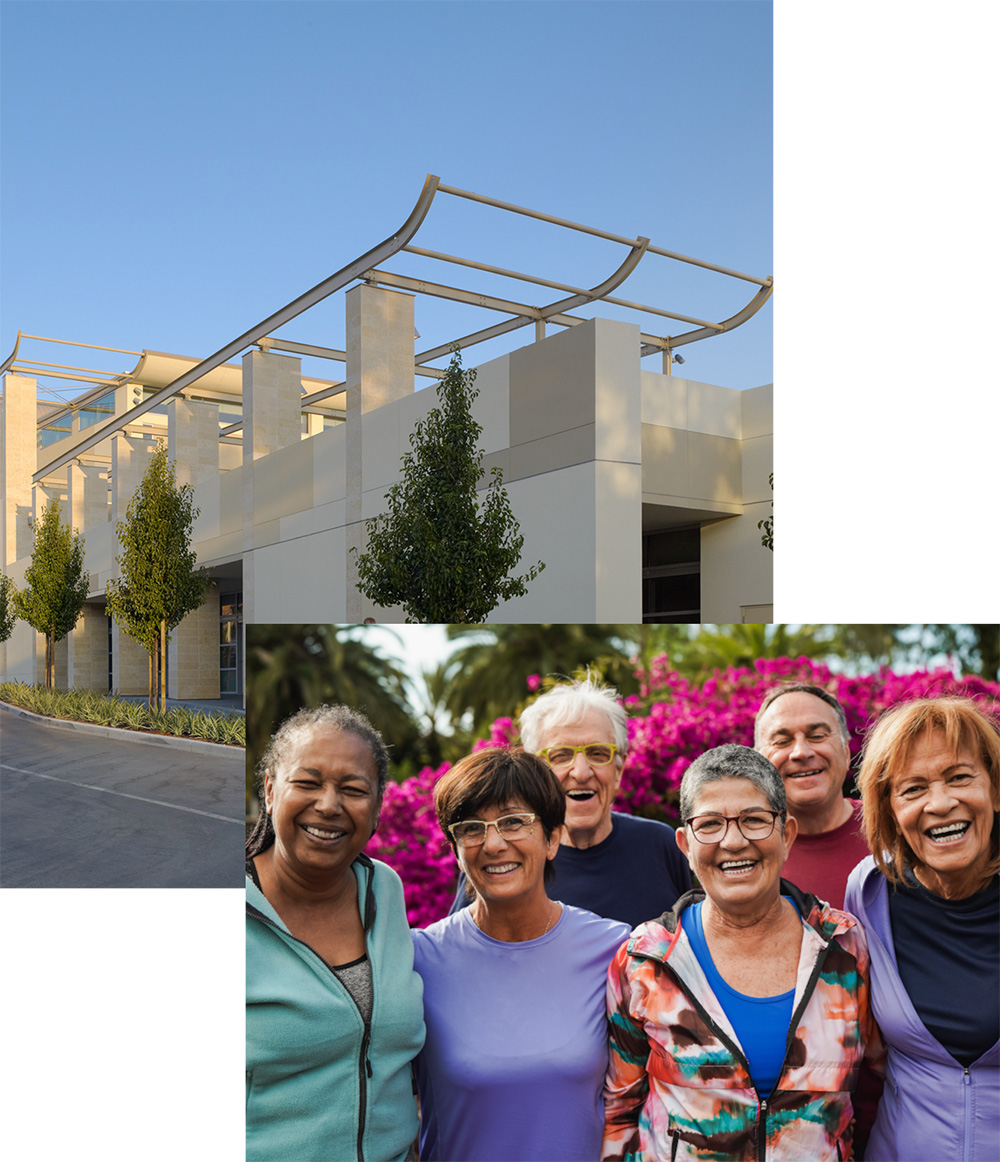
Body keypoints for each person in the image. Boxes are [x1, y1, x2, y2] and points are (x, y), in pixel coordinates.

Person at [603, 744, 883, 1162]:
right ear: (685, 844)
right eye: (710, 824)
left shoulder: (843, 947)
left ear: (786, 835)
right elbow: (619, 1110)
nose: (733, 842)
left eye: (754, 820)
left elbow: (875, 1091)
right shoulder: (646, 960)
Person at [414, 747, 630, 1161]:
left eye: (514, 822)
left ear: (552, 839)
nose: (493, 844)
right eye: (471, 828)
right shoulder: (419, 958)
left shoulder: (615, 949)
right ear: (455, 850)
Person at [245, 705, 425, 1162]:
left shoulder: (384, 889)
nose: (329, 804)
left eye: (353, 789)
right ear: (270, 790)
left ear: (377, 806)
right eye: (307, 783)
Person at [844, 697, 1000, 1162]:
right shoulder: (870, 890)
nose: (941, 803)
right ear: (890, 809)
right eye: (913, 789)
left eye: (959, 777)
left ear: (994, 788)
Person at [449, 676, 690, 927]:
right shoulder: (500, 859)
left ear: (618, 770)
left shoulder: (660, 845)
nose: (581, 772)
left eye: (598, 753)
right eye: (560, 755)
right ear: (533, 773)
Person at [755, 683, 870, 909]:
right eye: (782, 742)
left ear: (846, 752)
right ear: (760, 763)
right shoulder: (745, 850)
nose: (801, 752)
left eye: (817, 736)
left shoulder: (894, 829)